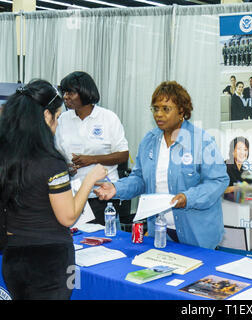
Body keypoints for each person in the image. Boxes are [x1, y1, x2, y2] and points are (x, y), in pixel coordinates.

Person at [0, 79, 107, 300]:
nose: (57, 124)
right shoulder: (50, 162)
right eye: (57, 117)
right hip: (52, 261)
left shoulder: (6, 157)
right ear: (46, 116)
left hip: (13, 258)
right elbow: (67, 217)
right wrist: (90, 180)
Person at [94, 81, 229, 249]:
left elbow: (218, 182)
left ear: (181, 111)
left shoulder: (201, 141)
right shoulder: (149, 141)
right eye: (155, 108)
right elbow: (140, 179)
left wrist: (188, 198)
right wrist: (116, 188)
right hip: (160, 232)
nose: (159, 114)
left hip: (197, 236)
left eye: (166, 109)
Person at [55, 71, 129, 225]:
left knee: (101, 242)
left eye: (71, 92)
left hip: (101, 195)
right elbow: (56, 154)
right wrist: (66, 167)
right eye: (64, 92)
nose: (65, 96)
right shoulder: (62, 119)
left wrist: (92, 160)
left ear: (85, 92)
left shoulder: (108, 118)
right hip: (72, 195)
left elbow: (123, 155)